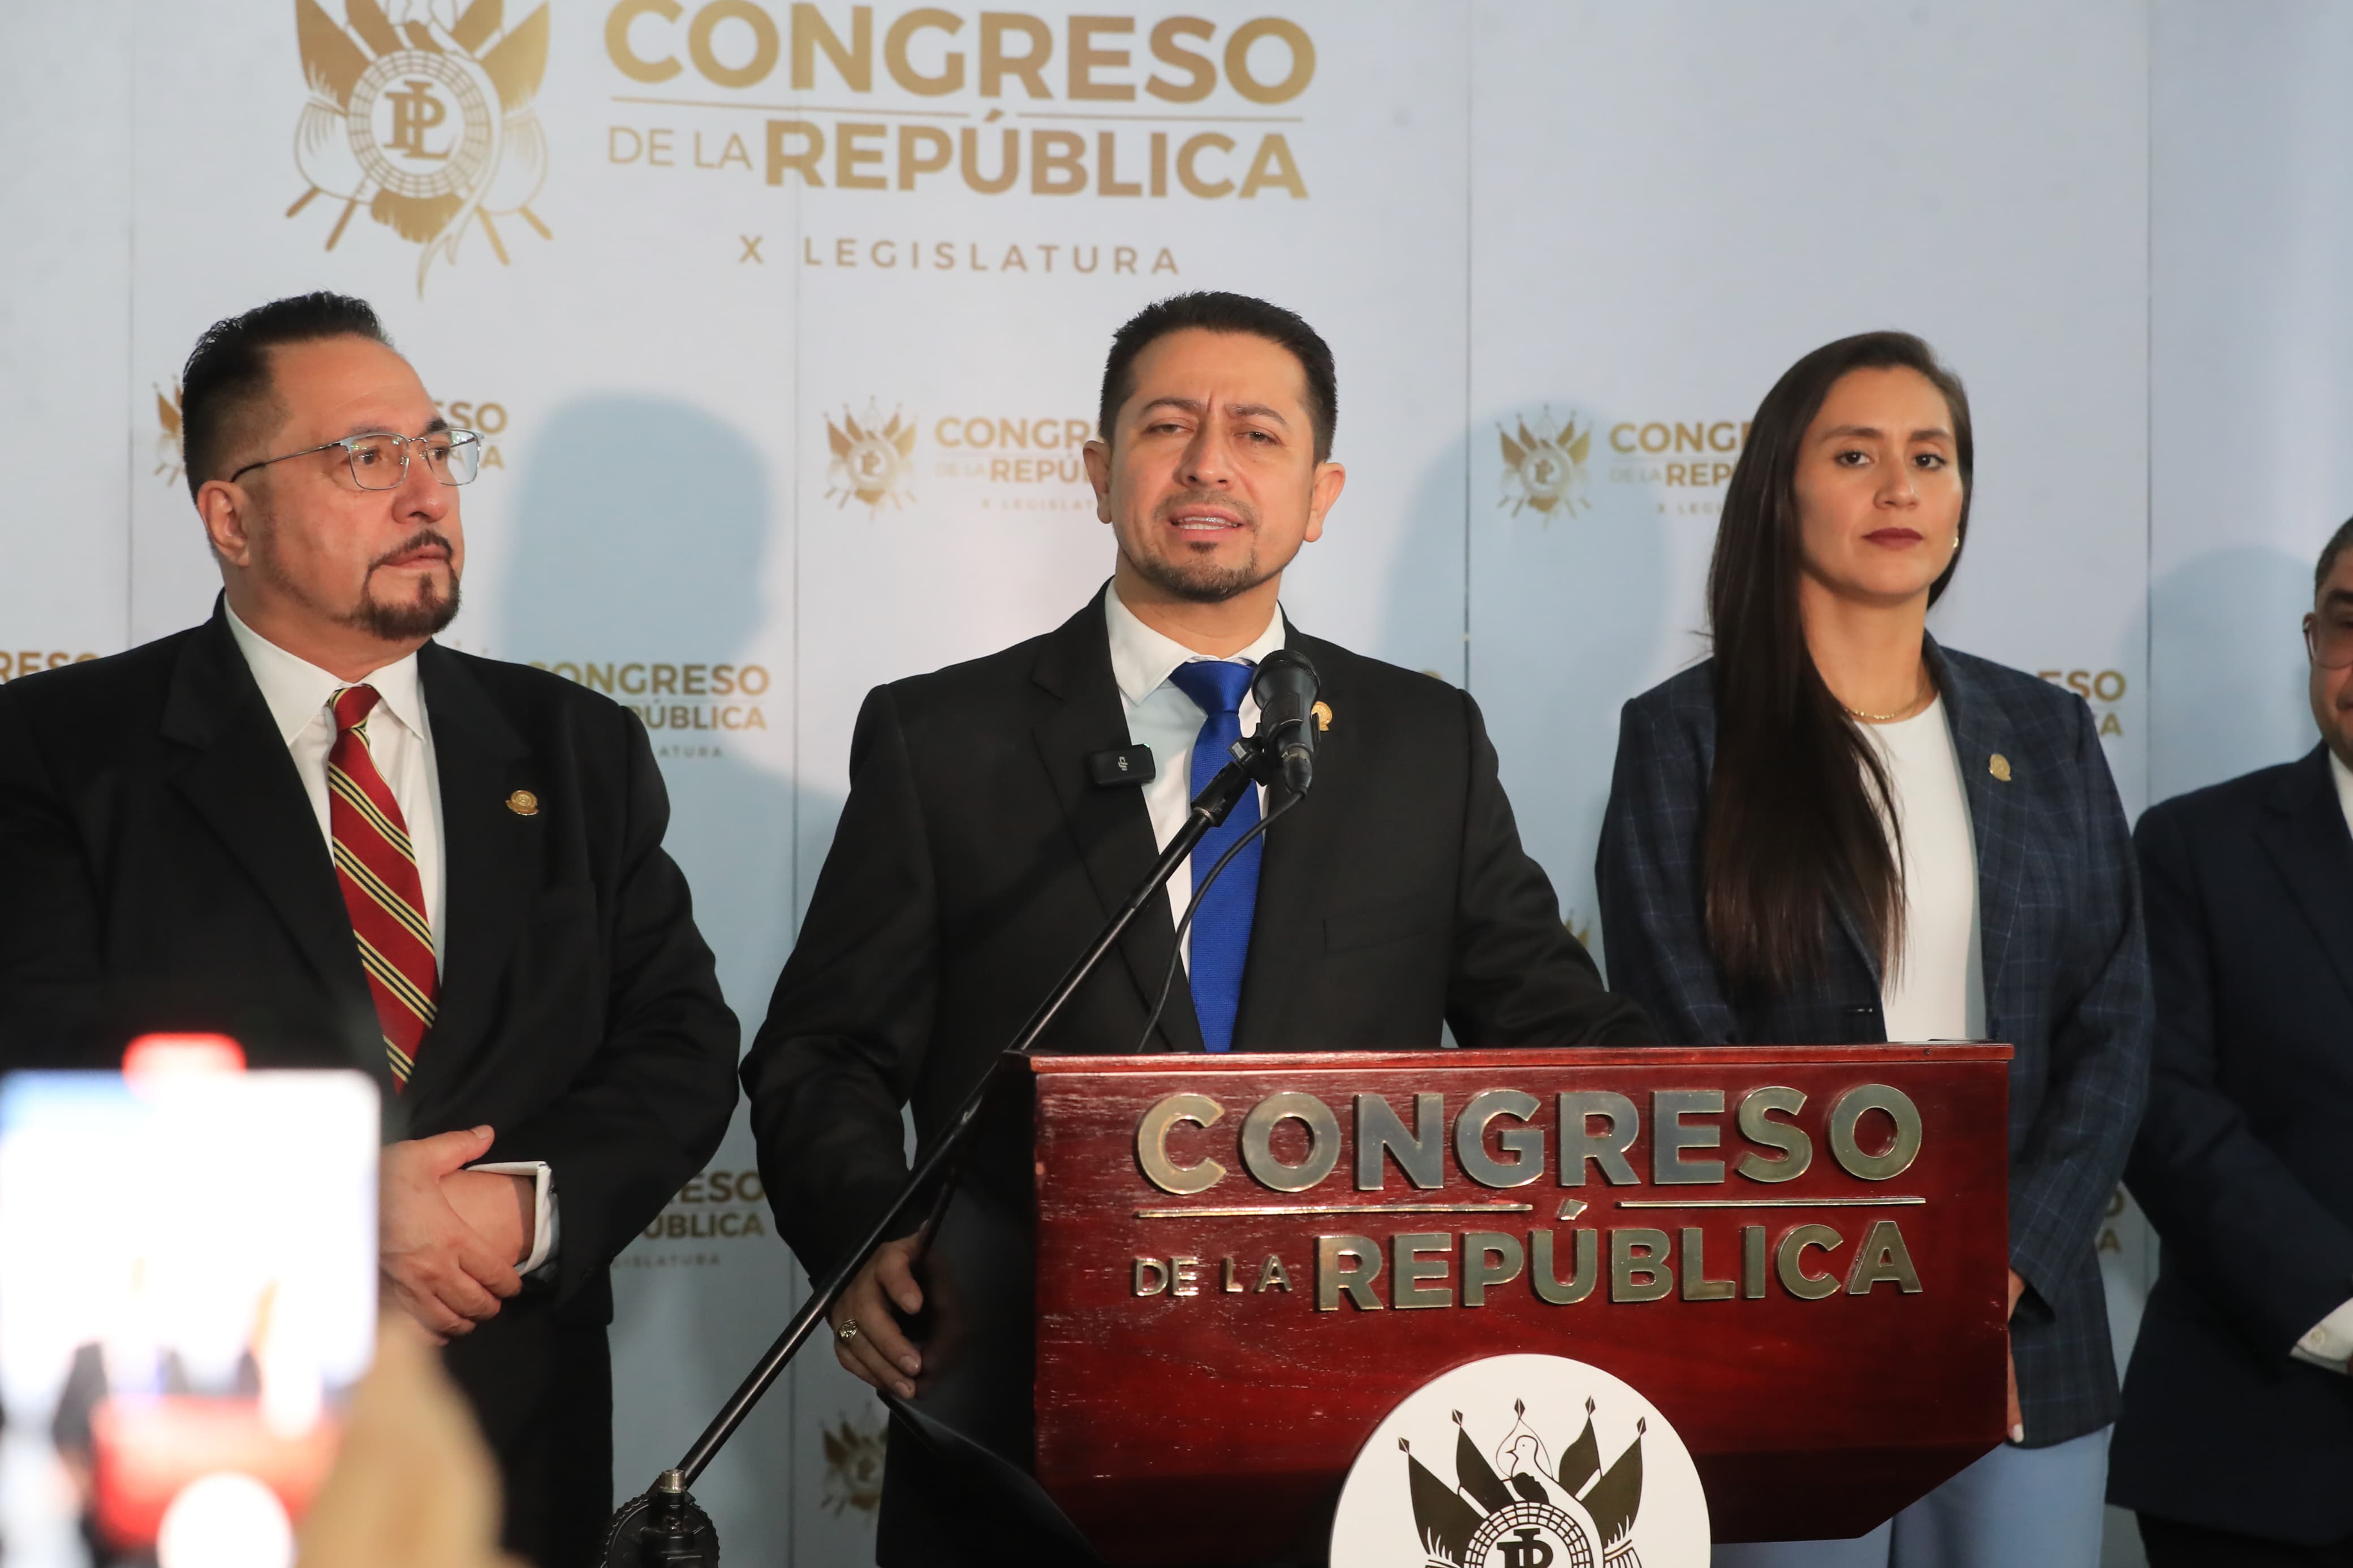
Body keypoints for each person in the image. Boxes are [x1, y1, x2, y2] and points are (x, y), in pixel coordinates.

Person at [742, 290, 1654, 1566]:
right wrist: (861, 1239)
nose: (1210, 461)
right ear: (1101, 469)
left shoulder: (1416, 742)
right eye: (1170, 425)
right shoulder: (943, 739)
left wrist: (1756, 1119)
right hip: (1016, 1423)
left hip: (1348, 1429)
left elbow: (1548, 1022)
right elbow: (824, 1049)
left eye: (1258, 433)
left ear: (1321, 493)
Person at [0, 293, 740, 1566]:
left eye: (436, 448)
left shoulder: (574, 750)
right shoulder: (58, 754)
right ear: (230, 514)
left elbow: (677, 1041)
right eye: (364, 456)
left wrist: (518, 1210)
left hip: (514, 1440)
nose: (424, 494)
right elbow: (38, 1068)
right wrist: (334, 1213)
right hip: (189, 1451)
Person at [1595, 330, 2149, 1566]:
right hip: (1785, 1330)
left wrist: (1998, 1272)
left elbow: (2115, 1029)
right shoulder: (1684, 738)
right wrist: (1873, 1280)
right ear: (1778, 492)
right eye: (1855, 454)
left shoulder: (2046, 731)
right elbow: (1684, 1048)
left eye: (1932, 456)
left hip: (2023, 1336)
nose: (1900, 487)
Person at [2109, 517, 2353, 1566]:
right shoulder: (2194, 846)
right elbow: (2164, 1108)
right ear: (2312, 638)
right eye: (2350, 624)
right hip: (2257, 1453)